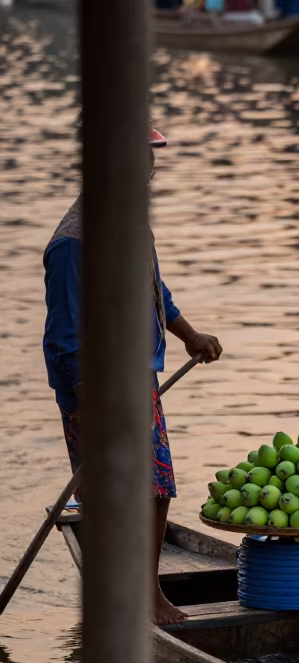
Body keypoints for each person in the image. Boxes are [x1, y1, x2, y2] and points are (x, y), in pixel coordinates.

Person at [42, 126, 222, 625]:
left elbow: (152, 288)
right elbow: (64, 339)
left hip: (135, 379)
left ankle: (143, 590)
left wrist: (188, 334)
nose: (147, 170)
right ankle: (138, 597)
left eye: (149, 159)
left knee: (154, 487)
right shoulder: (73, 243)